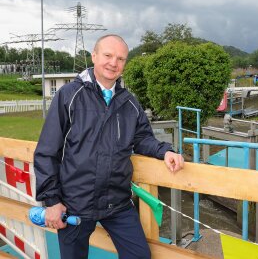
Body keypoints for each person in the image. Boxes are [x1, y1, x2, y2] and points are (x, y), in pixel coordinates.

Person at [34, 34, 184, 259]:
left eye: (121, 58)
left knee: (140, 255)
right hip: (75, 202)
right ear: (94, 56)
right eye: (108, 55)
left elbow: (143, 138)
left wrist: (165, 151)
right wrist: (52, 201)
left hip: (117, 201)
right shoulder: (69, 95)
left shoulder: (129, 102)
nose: (114, 63)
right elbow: (47, 151)